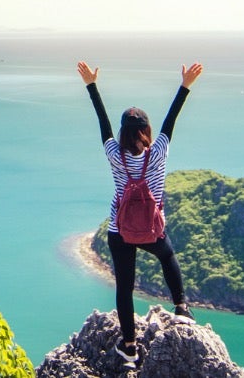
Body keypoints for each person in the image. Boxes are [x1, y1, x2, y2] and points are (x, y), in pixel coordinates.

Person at [79, 61, 202, 366]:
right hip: (151, 230)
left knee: (124, 286)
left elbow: (103, 124)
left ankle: (130, 346)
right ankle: (181, 308)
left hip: (119, 231)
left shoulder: (113, 154)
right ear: (146, 130)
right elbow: (171, 122)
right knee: (167, 255)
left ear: (123, 132)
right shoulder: (158, 152)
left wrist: (91, 85)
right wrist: (185, 86)